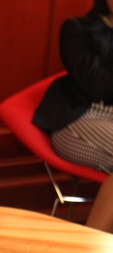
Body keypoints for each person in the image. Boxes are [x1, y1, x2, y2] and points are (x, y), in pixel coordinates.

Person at [33, 0, 113, 233]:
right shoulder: (78, 29)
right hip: (80, 120)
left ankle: (95, 247)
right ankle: (91, 246)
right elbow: (95, 86)